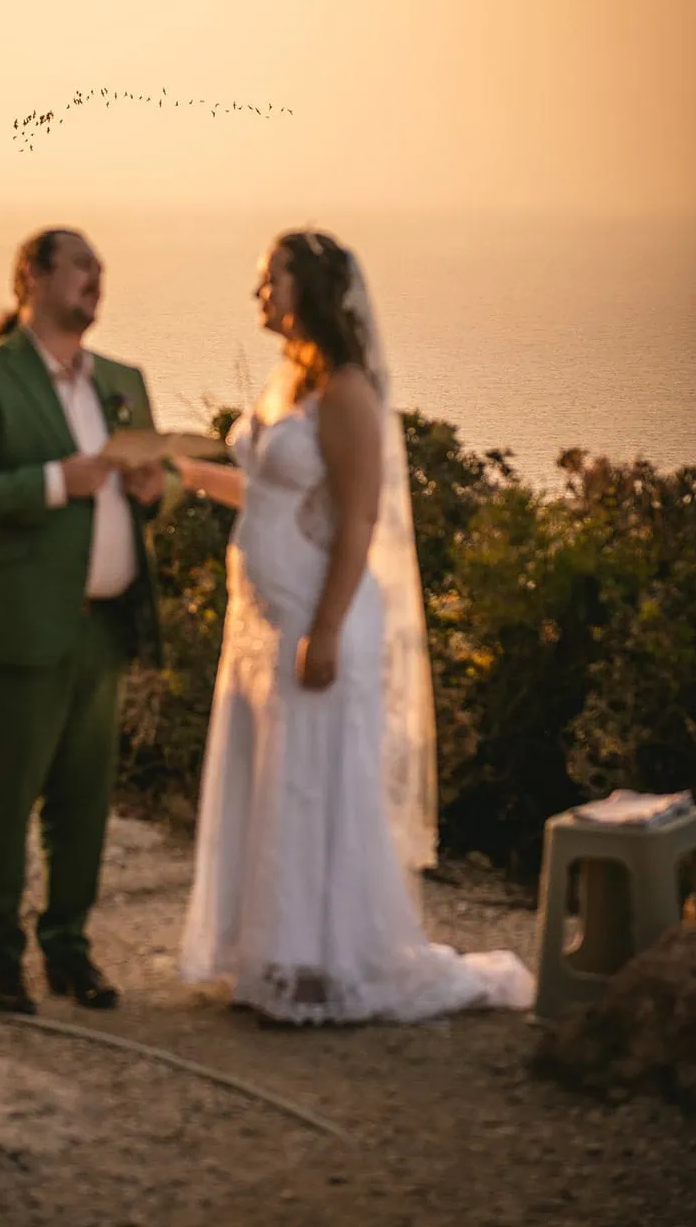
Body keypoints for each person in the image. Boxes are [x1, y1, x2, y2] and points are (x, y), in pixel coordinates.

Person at [175, 229, 534, 1024]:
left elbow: (360, 518)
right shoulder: (288, 383)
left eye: (271, 279)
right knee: (271, 781)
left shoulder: (345, 392)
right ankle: (271, 958)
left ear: (311, 290)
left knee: (312, 784)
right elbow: (270, 494)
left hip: (317, 613)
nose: (259, 293)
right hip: (261, 621)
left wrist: (327, 628)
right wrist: (186, 476)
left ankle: (326, 966)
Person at [0, 227, 165, 1015]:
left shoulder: (123, 381)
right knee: (5, 800)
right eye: (82, 266)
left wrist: (152, 492)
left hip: (103, 629)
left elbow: (142, 499)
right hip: (11, 628)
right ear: (33, 274)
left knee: (83, 804)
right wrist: (58, 481)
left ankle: (68, 951)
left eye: (102, 267)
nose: (97, 277)